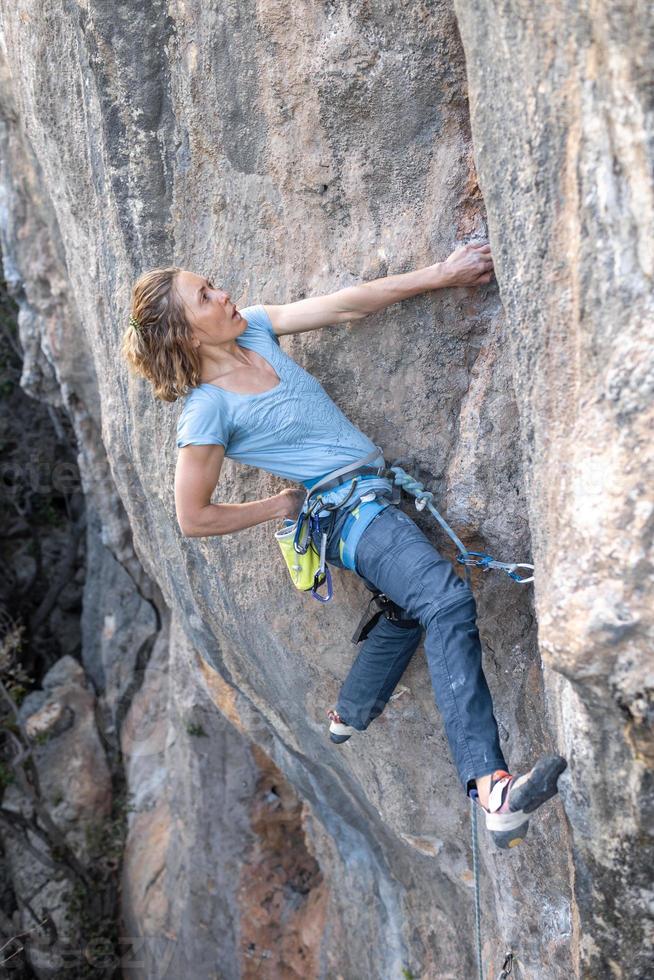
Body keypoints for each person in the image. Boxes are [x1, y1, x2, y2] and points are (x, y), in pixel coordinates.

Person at [122, 242, 566, 849]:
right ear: (182, 332)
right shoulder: (206, 411)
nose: (222, 294)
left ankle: (351, 711)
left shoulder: (253, 330)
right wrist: (277, 505)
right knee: (445, 600)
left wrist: (442, 273)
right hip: (345, 515)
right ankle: (491, 787)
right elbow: (192, 517)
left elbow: (343, 306)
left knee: (412, 604)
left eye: (212, 284)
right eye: (205, 296)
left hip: (372, 496)